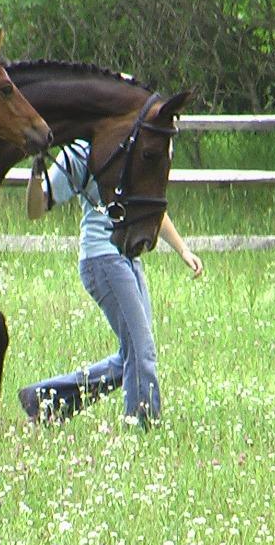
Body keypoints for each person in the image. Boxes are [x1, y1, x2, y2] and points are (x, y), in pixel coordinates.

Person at [18, 139, 203, 428]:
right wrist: (36, 171)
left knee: (131, 355)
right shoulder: (80, 151)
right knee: (141, 352)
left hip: (130, 258)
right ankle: (143, 428)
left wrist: (183, 250)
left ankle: (45, 399)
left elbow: (150, 206)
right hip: (102, 259)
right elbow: (36, 209)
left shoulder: (136, 143)